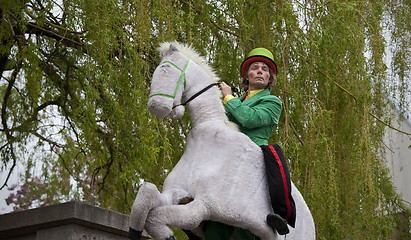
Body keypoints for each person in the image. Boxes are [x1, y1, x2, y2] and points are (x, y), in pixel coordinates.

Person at [203, 47, 296, 240]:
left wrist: (228, 97)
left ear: (270, 79)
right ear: (247, 77)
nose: (260, 70)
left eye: (265, 69)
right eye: (255, 67)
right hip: (227, 162)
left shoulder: (272, 102)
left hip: (253, 161)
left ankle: (276, 214)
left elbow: (249, 119)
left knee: (247, 222)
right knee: (213, 225)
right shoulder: (234, 102)